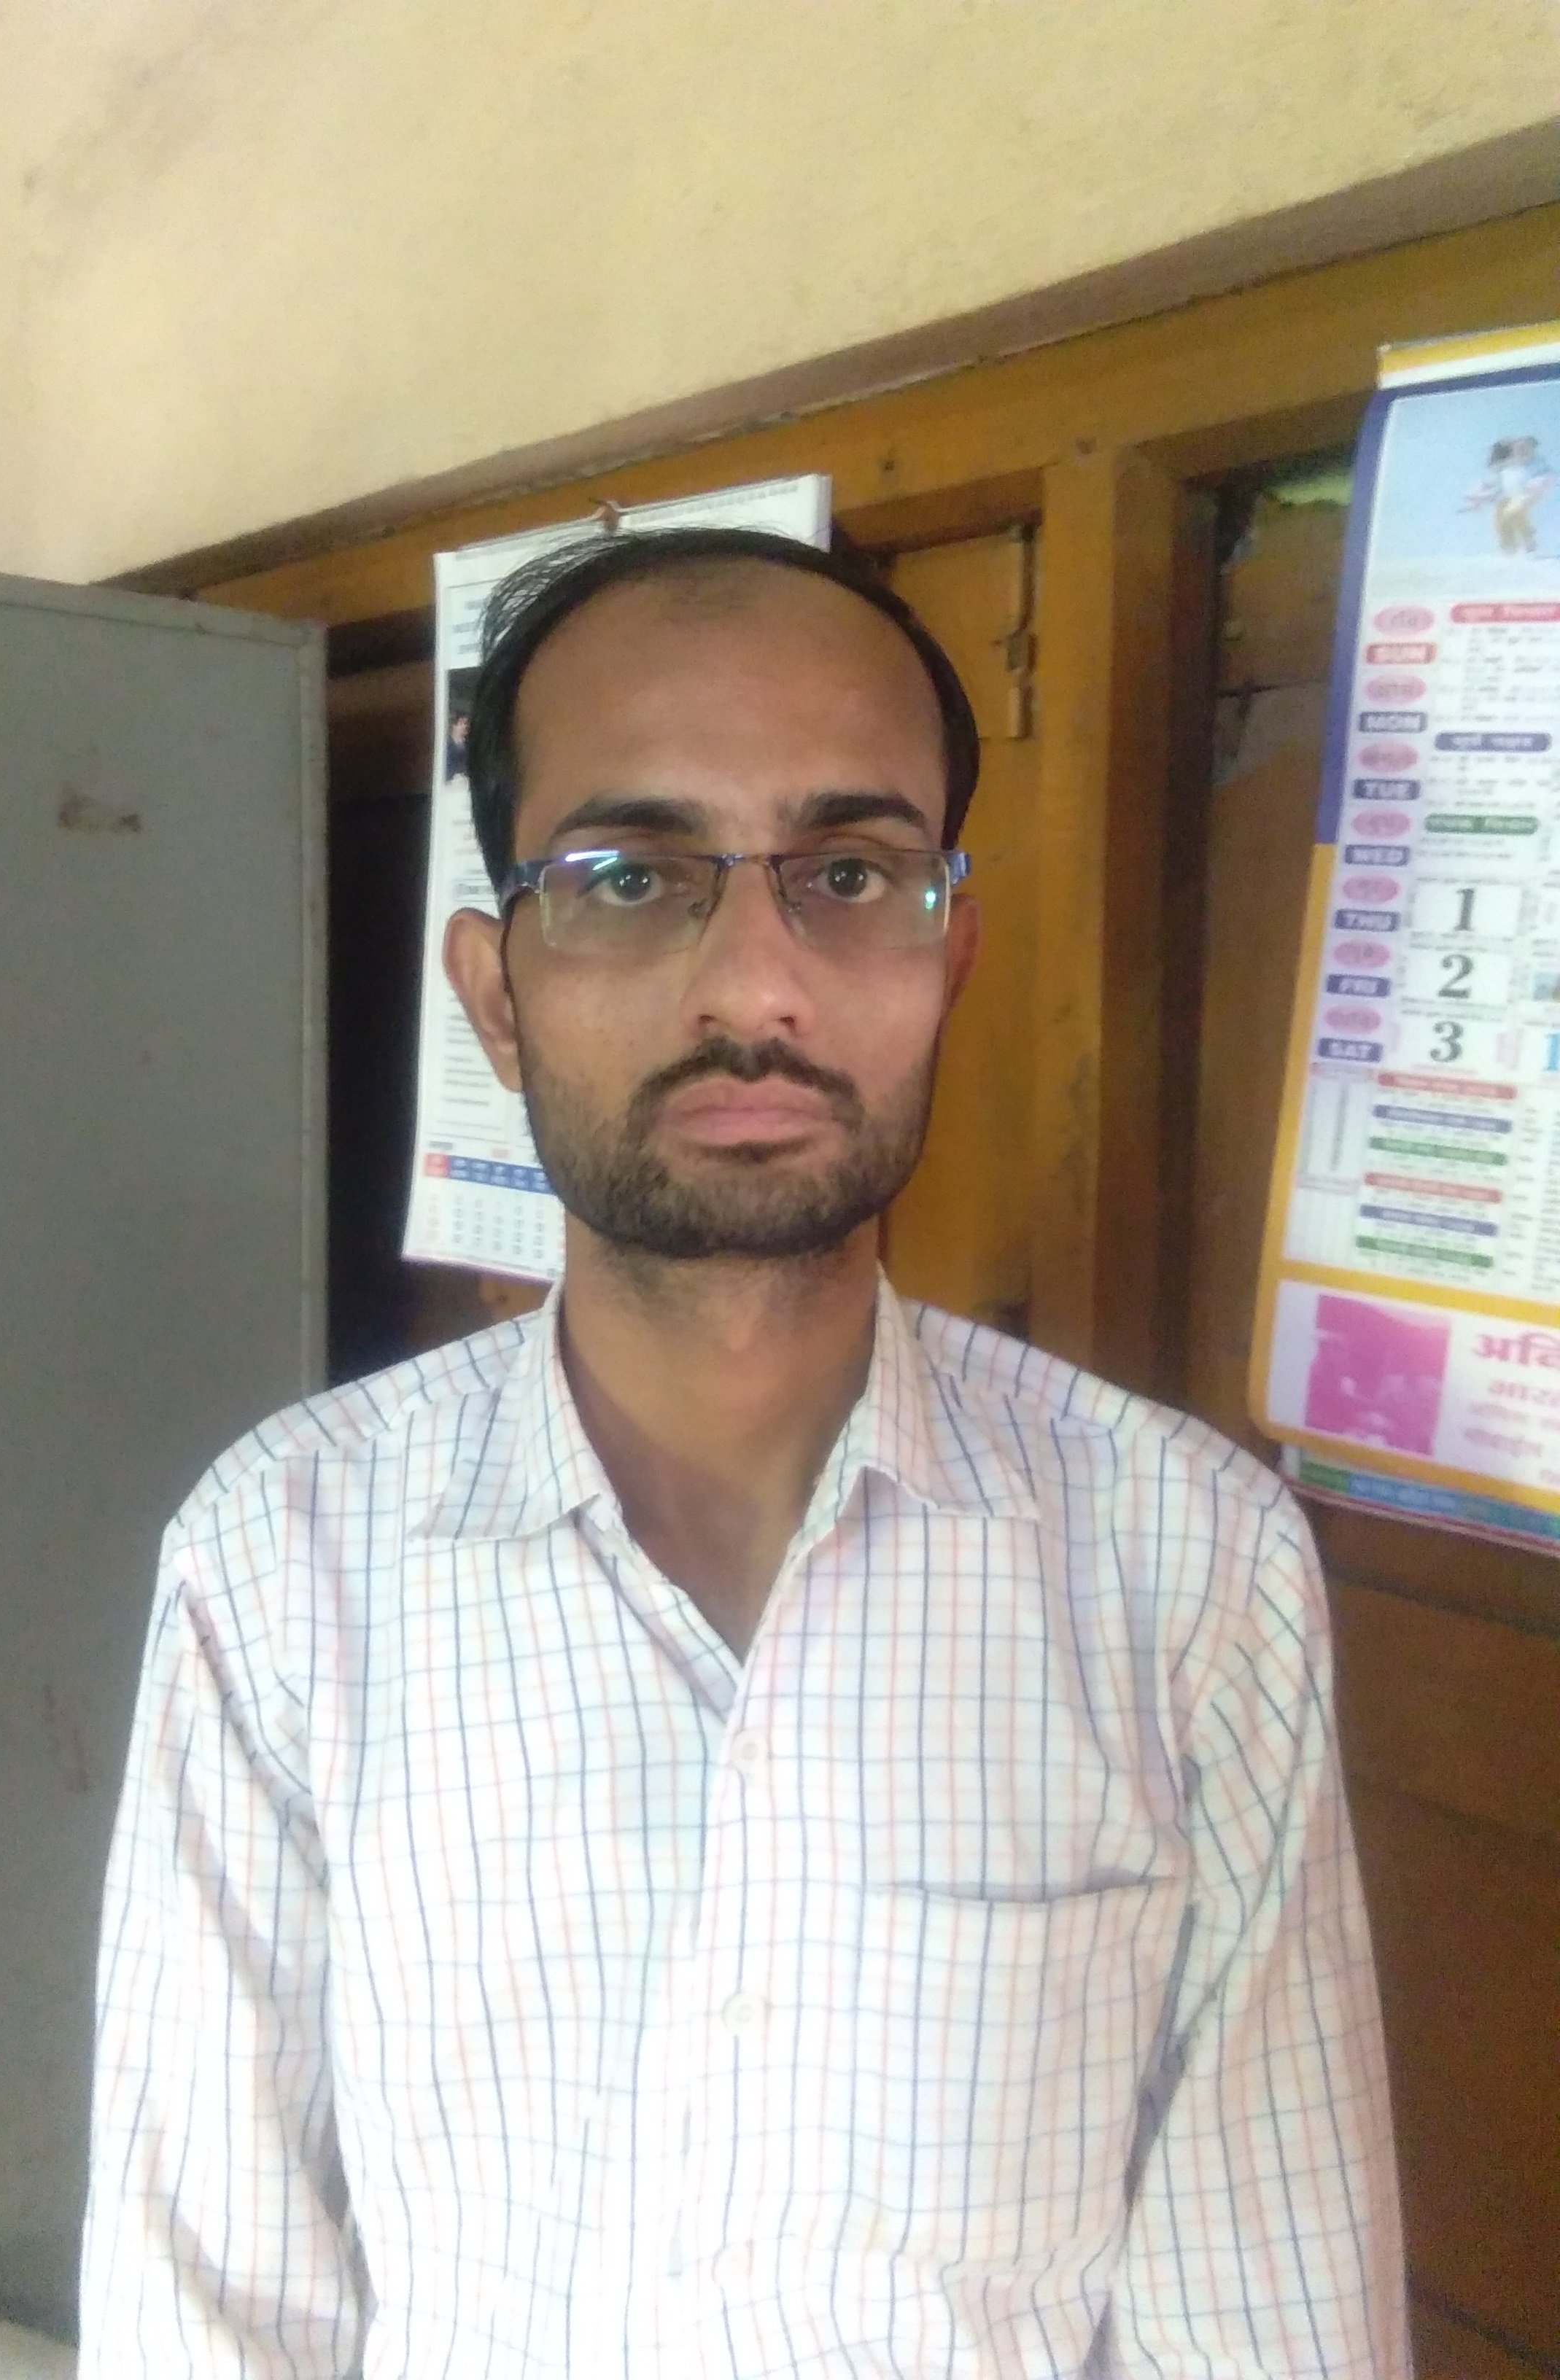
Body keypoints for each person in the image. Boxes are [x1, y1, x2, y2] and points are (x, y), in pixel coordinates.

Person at [80, 527, 1407, 2377]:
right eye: (632, 877)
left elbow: (1269, 2317)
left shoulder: (1188, 1567)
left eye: (848, 874)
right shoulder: (284, 1561)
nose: (755, 990)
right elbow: (206, 2309)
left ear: (951, 953)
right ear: (495, 991)